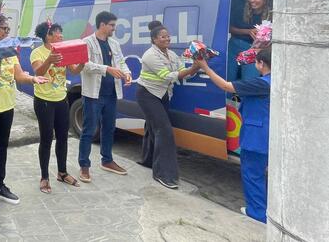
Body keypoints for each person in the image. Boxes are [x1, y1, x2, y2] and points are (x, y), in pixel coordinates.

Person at [0, 14, 47, 205]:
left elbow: (19, 75)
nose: (7, 32)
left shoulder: (10, 49)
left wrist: (33, 79)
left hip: (7, 106)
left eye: (8, 29)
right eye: (4, 28)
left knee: (1, 147)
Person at [195, 47, 271, 223]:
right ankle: (266, 209)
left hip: (256, 136)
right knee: (261, 174)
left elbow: (225, 86)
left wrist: (205, 67)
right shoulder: (278, 80)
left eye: (256, 62)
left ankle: (257, 213)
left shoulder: (261, 84)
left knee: (252, 174)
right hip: (267, 134)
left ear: (261, 64)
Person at [135, 21, 200, 190]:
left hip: (163, 94)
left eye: (168, 36)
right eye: (163, 37)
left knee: (152, 127)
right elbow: (168, 76)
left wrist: (195, 67)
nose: (167, 39)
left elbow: (183, 72)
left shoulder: (171, 54)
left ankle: (148, 160)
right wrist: (192, 68)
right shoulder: (149, 55)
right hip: (147, 94)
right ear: (154, 39)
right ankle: (163, 174)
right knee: (164, 131)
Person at [78, 11, 133, 183]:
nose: (114, 29)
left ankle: (107, 160)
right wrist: (107, 69)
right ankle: (84, 166)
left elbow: (121, 62)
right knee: (89, 131)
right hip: (93, 95)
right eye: (112, 25)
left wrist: (127, 73)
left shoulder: (114, 44)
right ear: (102, 25)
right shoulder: (86, 42)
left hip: (111, 94)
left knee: (109, 128)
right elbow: (84, 65)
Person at [30, 22, 84, 193]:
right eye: (57, 33)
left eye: (61, 32)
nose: (61, 35)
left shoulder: (63, 50)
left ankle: (62, 173)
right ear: (48, 36)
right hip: (44, 101)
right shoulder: (37, 52)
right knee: (46, 139)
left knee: (63, 137)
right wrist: (49, 60)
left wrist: (82, 62)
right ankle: (44, 177)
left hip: (62, 99)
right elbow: (38, 72)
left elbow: (74, 70)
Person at [227, 0, 272, 81]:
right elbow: (229, 28)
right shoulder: (240, 10)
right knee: (229, 76)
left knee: (249, 79)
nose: (252, 0)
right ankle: (229, 92)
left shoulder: (271, 14)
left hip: (256, 50)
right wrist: (249, 31)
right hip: (235, 45)